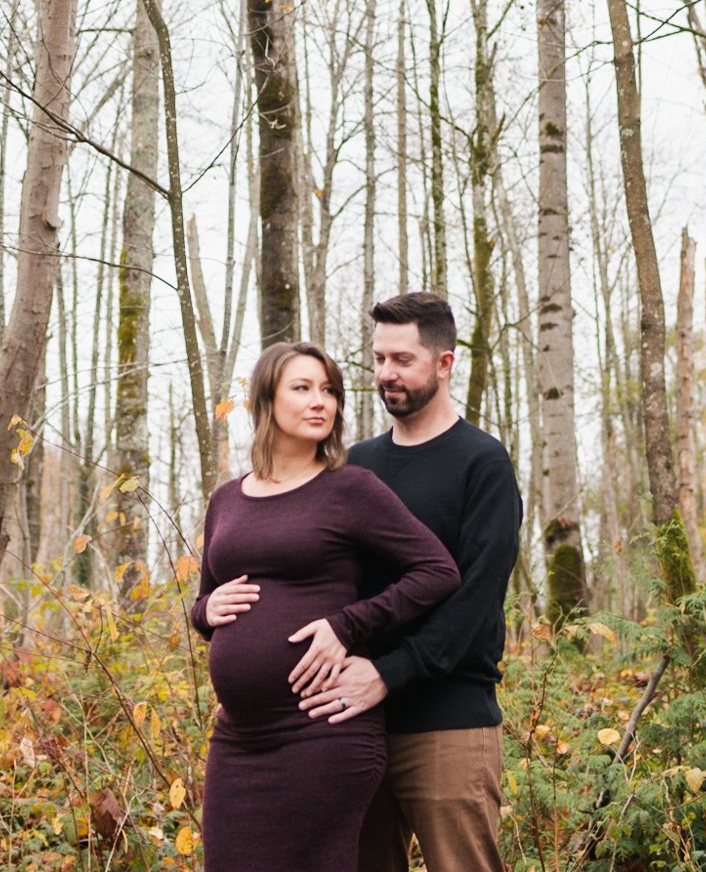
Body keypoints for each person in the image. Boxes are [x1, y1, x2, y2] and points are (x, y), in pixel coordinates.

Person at [190, 340, 459, 871]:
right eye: (303, 388)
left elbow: (437, 571)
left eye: (329, 391)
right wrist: (204, 610)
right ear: (266, 400)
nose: (321, 402)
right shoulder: (227, 499)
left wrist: (347, 625)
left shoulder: (350, 489)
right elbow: (205, 603)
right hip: (239, 740)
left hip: (320, 735)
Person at [310, 292, 523, 872]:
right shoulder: (354, 466)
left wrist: (387, 672)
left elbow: (476, 603)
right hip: (354, 725)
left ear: (445, 363)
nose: (385, 374)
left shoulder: (482, 463)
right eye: (378, 359)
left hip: (448, 723)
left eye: (402, 359)